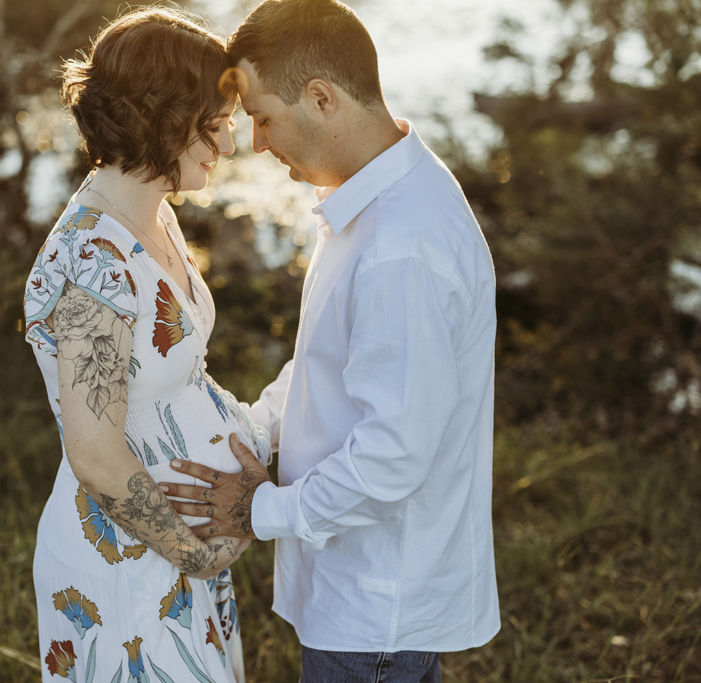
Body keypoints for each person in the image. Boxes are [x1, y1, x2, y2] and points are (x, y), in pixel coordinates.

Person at [162, 1, 501, 681]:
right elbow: (331, 363)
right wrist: (251, 429)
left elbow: (394, 455)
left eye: (262, 117)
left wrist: (262, 509)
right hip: (357, 596)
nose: (255, 141)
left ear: (321, 99)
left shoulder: (401, 244)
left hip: (376, 606)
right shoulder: (375, 201)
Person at [22, 8, 272, 683]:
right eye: (211, 119)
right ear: (159, 117)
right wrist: (194, 553)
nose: (225, 135)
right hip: (127, 564)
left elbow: (181, 376)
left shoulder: (151, 213)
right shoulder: (89, 261)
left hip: (173, 551)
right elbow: (97, 454)